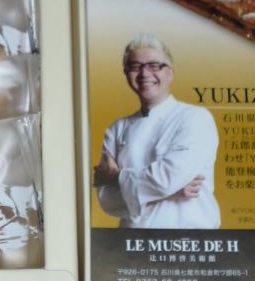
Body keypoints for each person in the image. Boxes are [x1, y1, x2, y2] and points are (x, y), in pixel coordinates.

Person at [93, 33, 220, 229]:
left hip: (188, 238)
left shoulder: (195, 118)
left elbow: (167, 179)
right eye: (135, 66)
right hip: (131, 242)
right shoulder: (117, 128)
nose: (144, 74)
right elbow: (107, 199)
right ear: (126, 74)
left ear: (170, 73)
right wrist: (170, 193)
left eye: (154, 66)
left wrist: (117, 177)